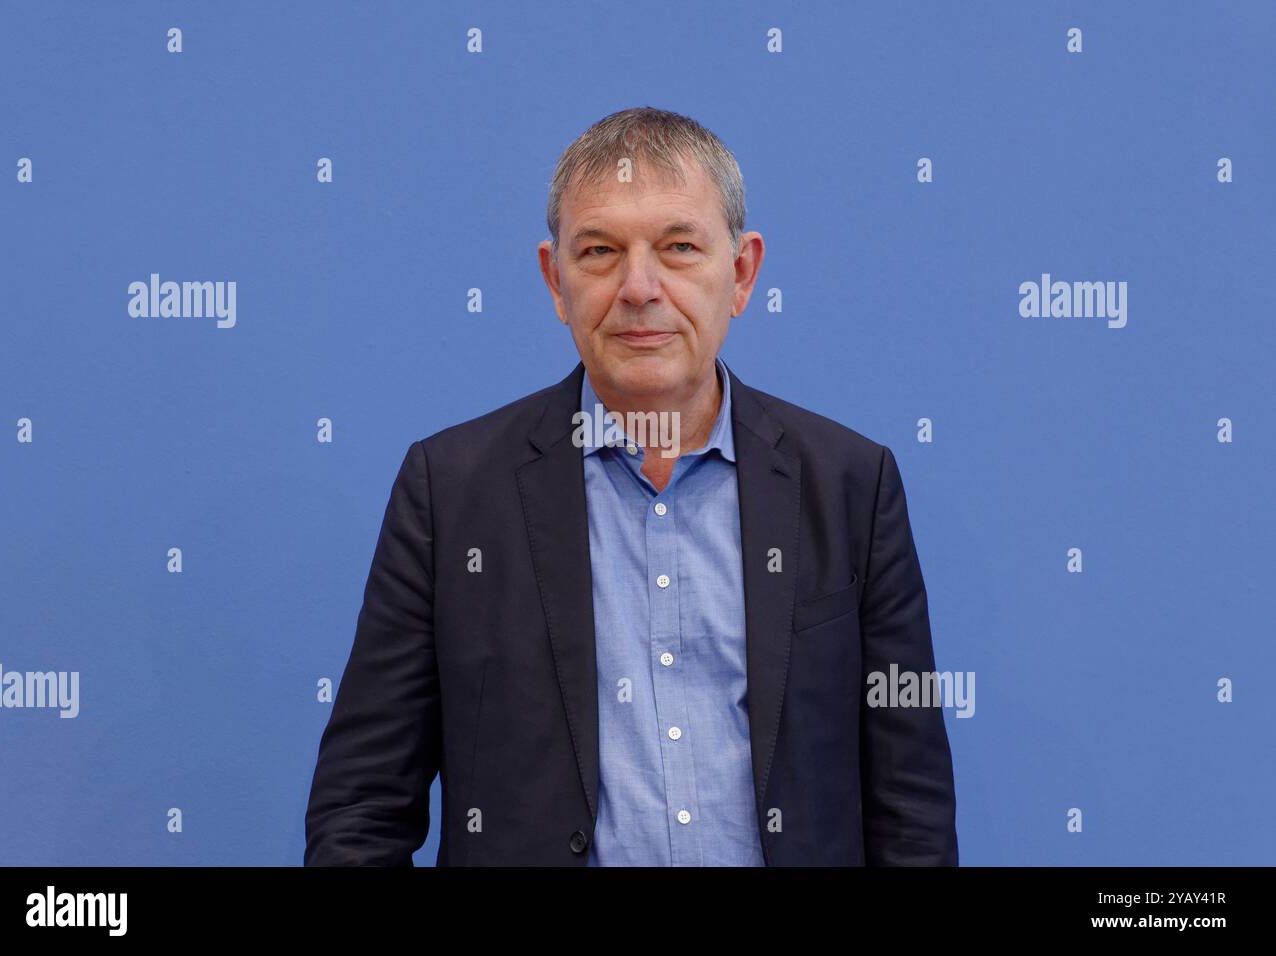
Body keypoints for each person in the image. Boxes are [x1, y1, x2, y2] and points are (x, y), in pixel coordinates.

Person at [304, 106, 958, 866]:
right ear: (556, 280)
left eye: (679, 248)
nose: (638, 287)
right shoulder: (450, 493)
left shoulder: (850, 484)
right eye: (600, 251)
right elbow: (360, 806)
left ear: (742, 273)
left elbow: (910, 804)